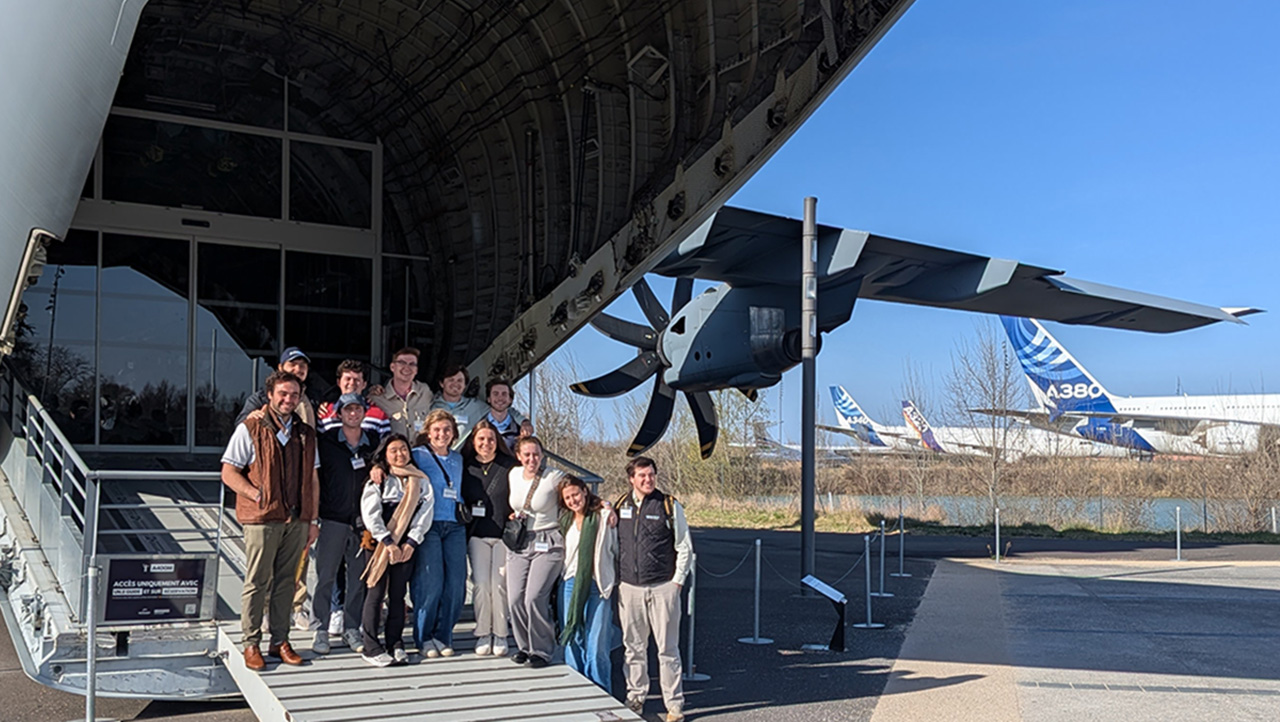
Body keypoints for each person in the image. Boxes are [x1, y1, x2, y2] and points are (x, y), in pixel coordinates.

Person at [220, 371, 320, 672]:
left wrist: (313, 518)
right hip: (262, 518)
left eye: (294, 395)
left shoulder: (306, 433)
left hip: (297, 517)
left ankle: (280, 640)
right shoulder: (250, 428)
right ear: (270, 395)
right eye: (283, 394)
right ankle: (251, 642)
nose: (289, 399)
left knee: (287, 581)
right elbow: (228, 472)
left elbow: (313, 478)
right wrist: (255, 493)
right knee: (257, 581)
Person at [615, 456, 693, 722]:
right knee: (633, 648)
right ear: (631, 479)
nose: (648, 480)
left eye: (651, 475)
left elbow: (684, 546)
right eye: (642, 475)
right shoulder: (620, 505)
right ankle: (636, 697)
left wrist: (677, 582)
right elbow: (614, 545)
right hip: (630, 589)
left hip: (663, 588)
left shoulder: (669, 505)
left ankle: (674, 705)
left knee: (668, 650)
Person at [312, 393, 379, 655]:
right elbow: (315, 479)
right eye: (348, 410)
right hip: (333, 518)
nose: (353, 414)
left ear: (364, 412)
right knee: (325, 576)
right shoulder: (326, 442)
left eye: (358, 409)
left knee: (358, 578)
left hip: (363, 522)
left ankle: (352, 627)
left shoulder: (373, 442)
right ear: (339, 414)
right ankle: (321, 628)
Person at [359, 434, 433, 667]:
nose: (400, 454)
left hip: (406, 545)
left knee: (398, 594)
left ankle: (395, 642)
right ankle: (371, 646)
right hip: (380, 544)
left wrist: (411, 542)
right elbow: (370, 514)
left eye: (403, 449)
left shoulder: (420, 480)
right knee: (376, 593)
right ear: (385, 454)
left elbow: (425, 513)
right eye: (394, 450)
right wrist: (388, 542)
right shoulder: (379, 479)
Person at [409, 409, 467, 658]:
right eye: (437, 430)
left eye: (446, 430)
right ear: (428, 432)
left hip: (454, 525)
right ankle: (424, 636)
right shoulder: (417, 455)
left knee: (456, 584)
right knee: (430, 583)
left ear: (453, 433)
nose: (442, 434)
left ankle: (444, 635)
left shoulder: (458, 459)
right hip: (428, 525)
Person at [505, 436, 565, 668]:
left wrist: (603, 505)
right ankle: (524, 646)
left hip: (547, 541)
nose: (532, 459)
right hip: (520, 540)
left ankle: (541, 650)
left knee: (534, 597)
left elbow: (577, 492)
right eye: (527, 455)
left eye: (536, 454)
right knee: (515, 598)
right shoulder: (513, 475)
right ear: (519, 456)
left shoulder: (553, 476)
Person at [557, 476, 617, 692]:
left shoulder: (602, 516)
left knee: (597, 643)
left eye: (575, 494)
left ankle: (600, 690)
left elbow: (615, 548)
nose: (573, 500)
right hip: (570, 583)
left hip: (598, 584)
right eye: (568, 498)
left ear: (584, 491)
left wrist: (607, 505)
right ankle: (576, 688)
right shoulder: (564, 520)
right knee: (572, 638)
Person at [460, 419, 515, 656]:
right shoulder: (465, 466)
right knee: (481, 584)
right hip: (477, 535)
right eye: (481, 439)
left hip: (504, 535)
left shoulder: (510, 466)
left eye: (491, 439)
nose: (486, 443)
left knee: (499, 584)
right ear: (473, 441)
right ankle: (483, 632)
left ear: (497, 441)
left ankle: (500, 633)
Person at [431, 366, 529, 448]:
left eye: (460, 380)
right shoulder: (431, 405)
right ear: (442, 383)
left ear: (465, 385)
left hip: (460, 460)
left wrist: (524, 422)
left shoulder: (476, 406)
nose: (455, 384)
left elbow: (501, 408)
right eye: (451, 380)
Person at [368, 347, 434, 439]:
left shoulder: (425, 392)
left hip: (420, 448)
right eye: (402, 363)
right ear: (392, 367)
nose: (407, 367)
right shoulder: (378, 398)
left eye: (412, 364)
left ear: (416, 370)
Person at [317, 359, 390, 438]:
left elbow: (386, 443)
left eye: (357, 380)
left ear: (364, 384)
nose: (352, 383)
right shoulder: (325, 412)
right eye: (348, 379)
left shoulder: (378, 413)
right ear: (338, 382)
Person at [482, 378, 534, 451]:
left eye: (504, 394)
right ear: (489, 399)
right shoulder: (478, 427)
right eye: (495, 394)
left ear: (510, 399)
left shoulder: (521, 430)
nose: (500, 398)